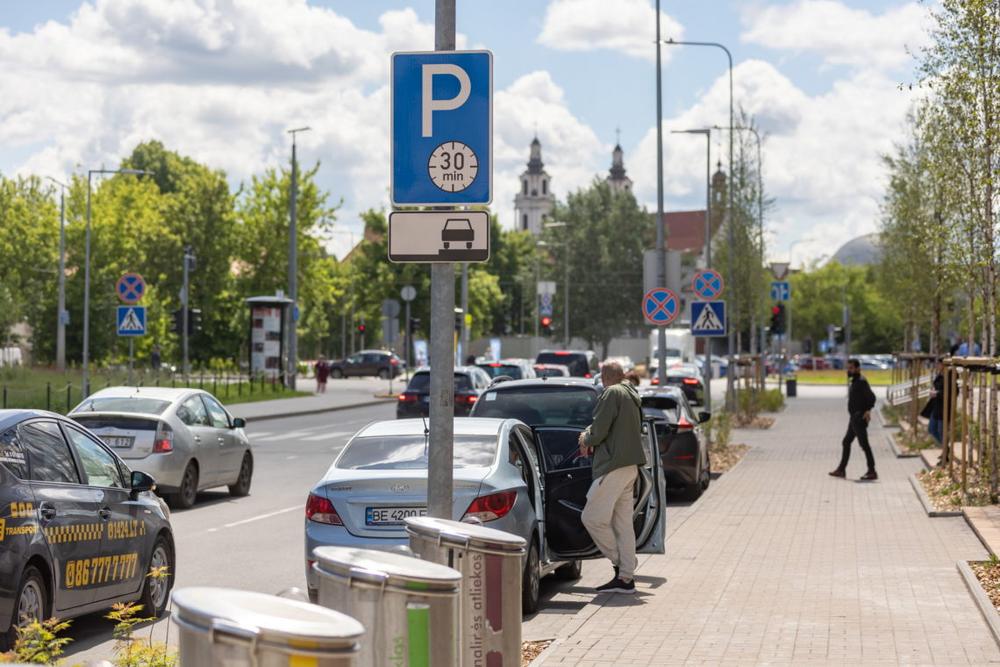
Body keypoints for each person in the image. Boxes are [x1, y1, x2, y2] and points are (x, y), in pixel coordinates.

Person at [578, 361, 647, 594]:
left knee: (591, 518)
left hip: (613, 466)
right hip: (630, 466)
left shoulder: (612, 393)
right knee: (623, 524)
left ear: (604, 376)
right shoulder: (631, 394)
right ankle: (626, 579)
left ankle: (623, 564)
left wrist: (585, 439)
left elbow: (599, 431)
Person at [830, 358, 878, 481]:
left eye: (851, 368)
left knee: (864, 445)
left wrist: (868, 410)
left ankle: (872, 471)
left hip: (859, 418)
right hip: (854, 419)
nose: (849, 370)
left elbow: (872, 397)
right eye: (848, 368)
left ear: (858, 368)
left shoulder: (861, 381)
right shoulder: (855, 381)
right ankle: (841, 470)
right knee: (846, 442)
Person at [922, 358, 945, 444]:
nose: (937, 366)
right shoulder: (939, 375)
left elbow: (950, 391)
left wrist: (937, 393)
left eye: (938, 364)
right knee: (931, 429)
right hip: (935, 406)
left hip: (943, 407)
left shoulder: (948, 376)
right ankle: (944, 447)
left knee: (940, 430)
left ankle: (946, 448)